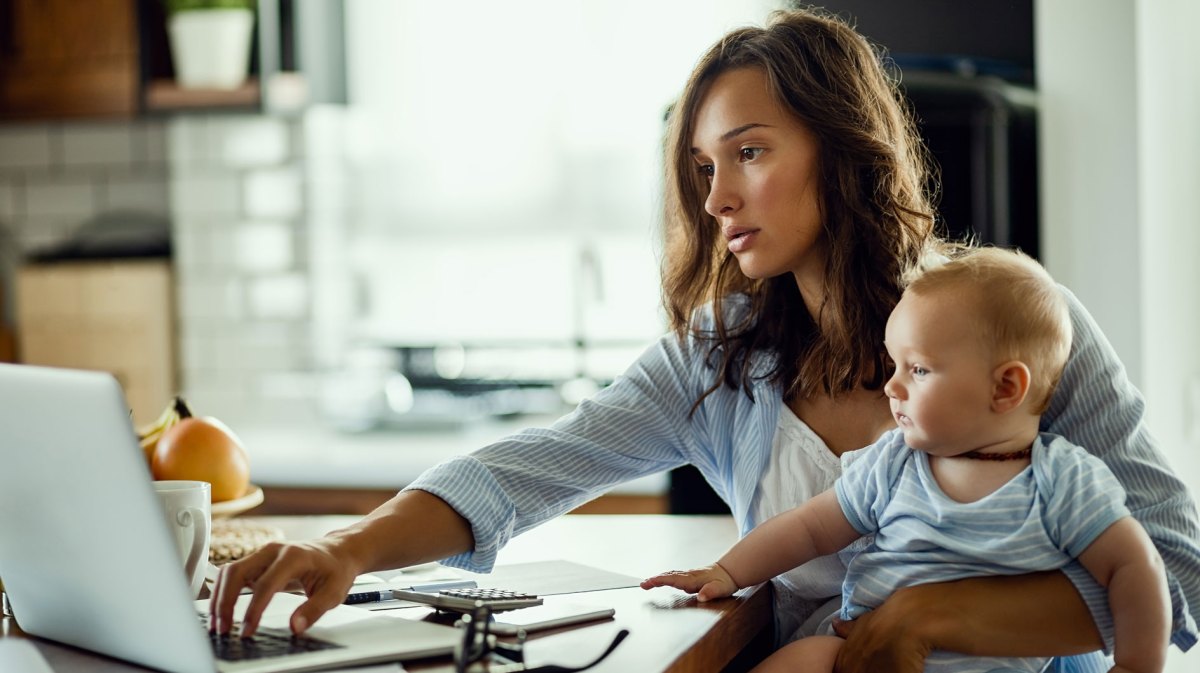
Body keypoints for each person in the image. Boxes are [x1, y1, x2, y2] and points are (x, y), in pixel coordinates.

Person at [210, 9, 1200, 671]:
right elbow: (530, 466)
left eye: (751, 153)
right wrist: (347, 546)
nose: (717, 197)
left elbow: (1176, 575)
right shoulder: (723, 353)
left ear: (846, 149)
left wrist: (925, 617)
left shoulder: (1019, 332)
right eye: (701, 165)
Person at [641, 247, 1170, 673]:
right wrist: (727, 571)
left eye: (917, 370)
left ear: (1005, 387)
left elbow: (1137, 567)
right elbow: (807, 529)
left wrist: (1135, 665)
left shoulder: (1061, 481)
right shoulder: (895, 462)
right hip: (858, 654)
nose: (891, 385)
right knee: (806, 658)